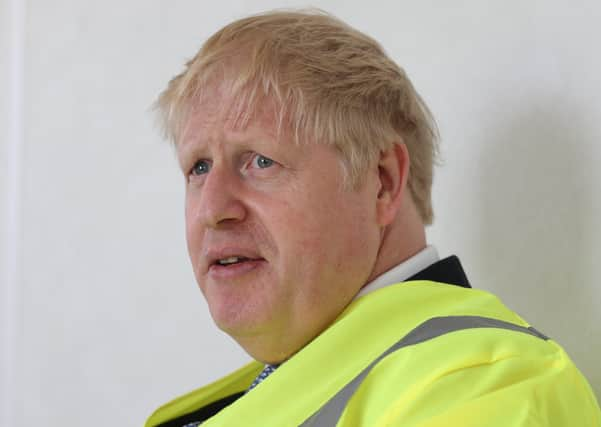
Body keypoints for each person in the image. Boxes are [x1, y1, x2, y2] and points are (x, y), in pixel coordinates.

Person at [145, 10, 600, 427]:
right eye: (198, 168)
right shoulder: (295, 386)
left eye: (260, 161)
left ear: (381, 181)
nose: (211, 209)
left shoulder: (487, 387)